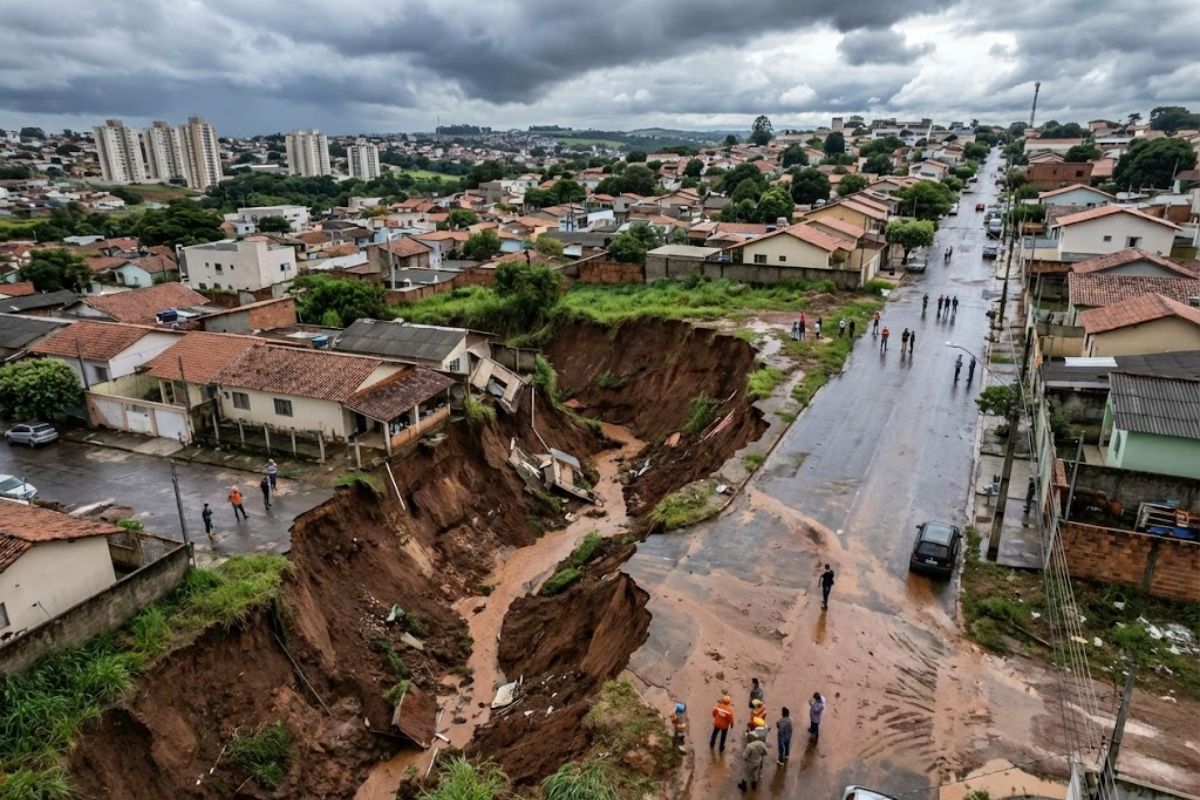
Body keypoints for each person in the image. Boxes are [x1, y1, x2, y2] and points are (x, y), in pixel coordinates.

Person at [738, 727, 769, 791]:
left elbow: (744, 756)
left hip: (750, 762)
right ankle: (754, 785)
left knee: (746, 773)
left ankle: (743, 786)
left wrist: (746, 759)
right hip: (758, 761)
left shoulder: (749, 746)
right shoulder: (761, 743)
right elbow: (765, 752)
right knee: (755, 773)